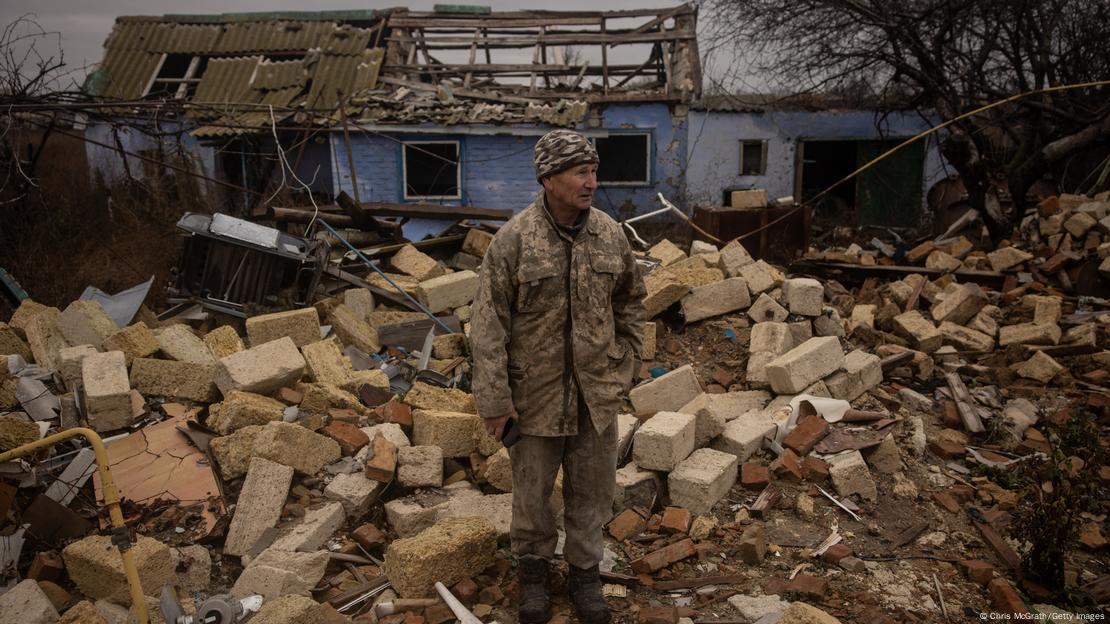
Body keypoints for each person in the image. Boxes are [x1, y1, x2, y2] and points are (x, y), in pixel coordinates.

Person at [470, 129, 646, 624]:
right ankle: (533, 577)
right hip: (533, 399)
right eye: (580, 172)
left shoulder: (610, 234)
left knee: (592, 494)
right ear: (548, 179)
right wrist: (495, 403)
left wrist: (625, 365)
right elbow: (487, 327)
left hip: (597, 397)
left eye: (593, 171)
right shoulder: (513, 241)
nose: (592, 181)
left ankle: (585, 577)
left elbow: (632, 302)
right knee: (532, 499)